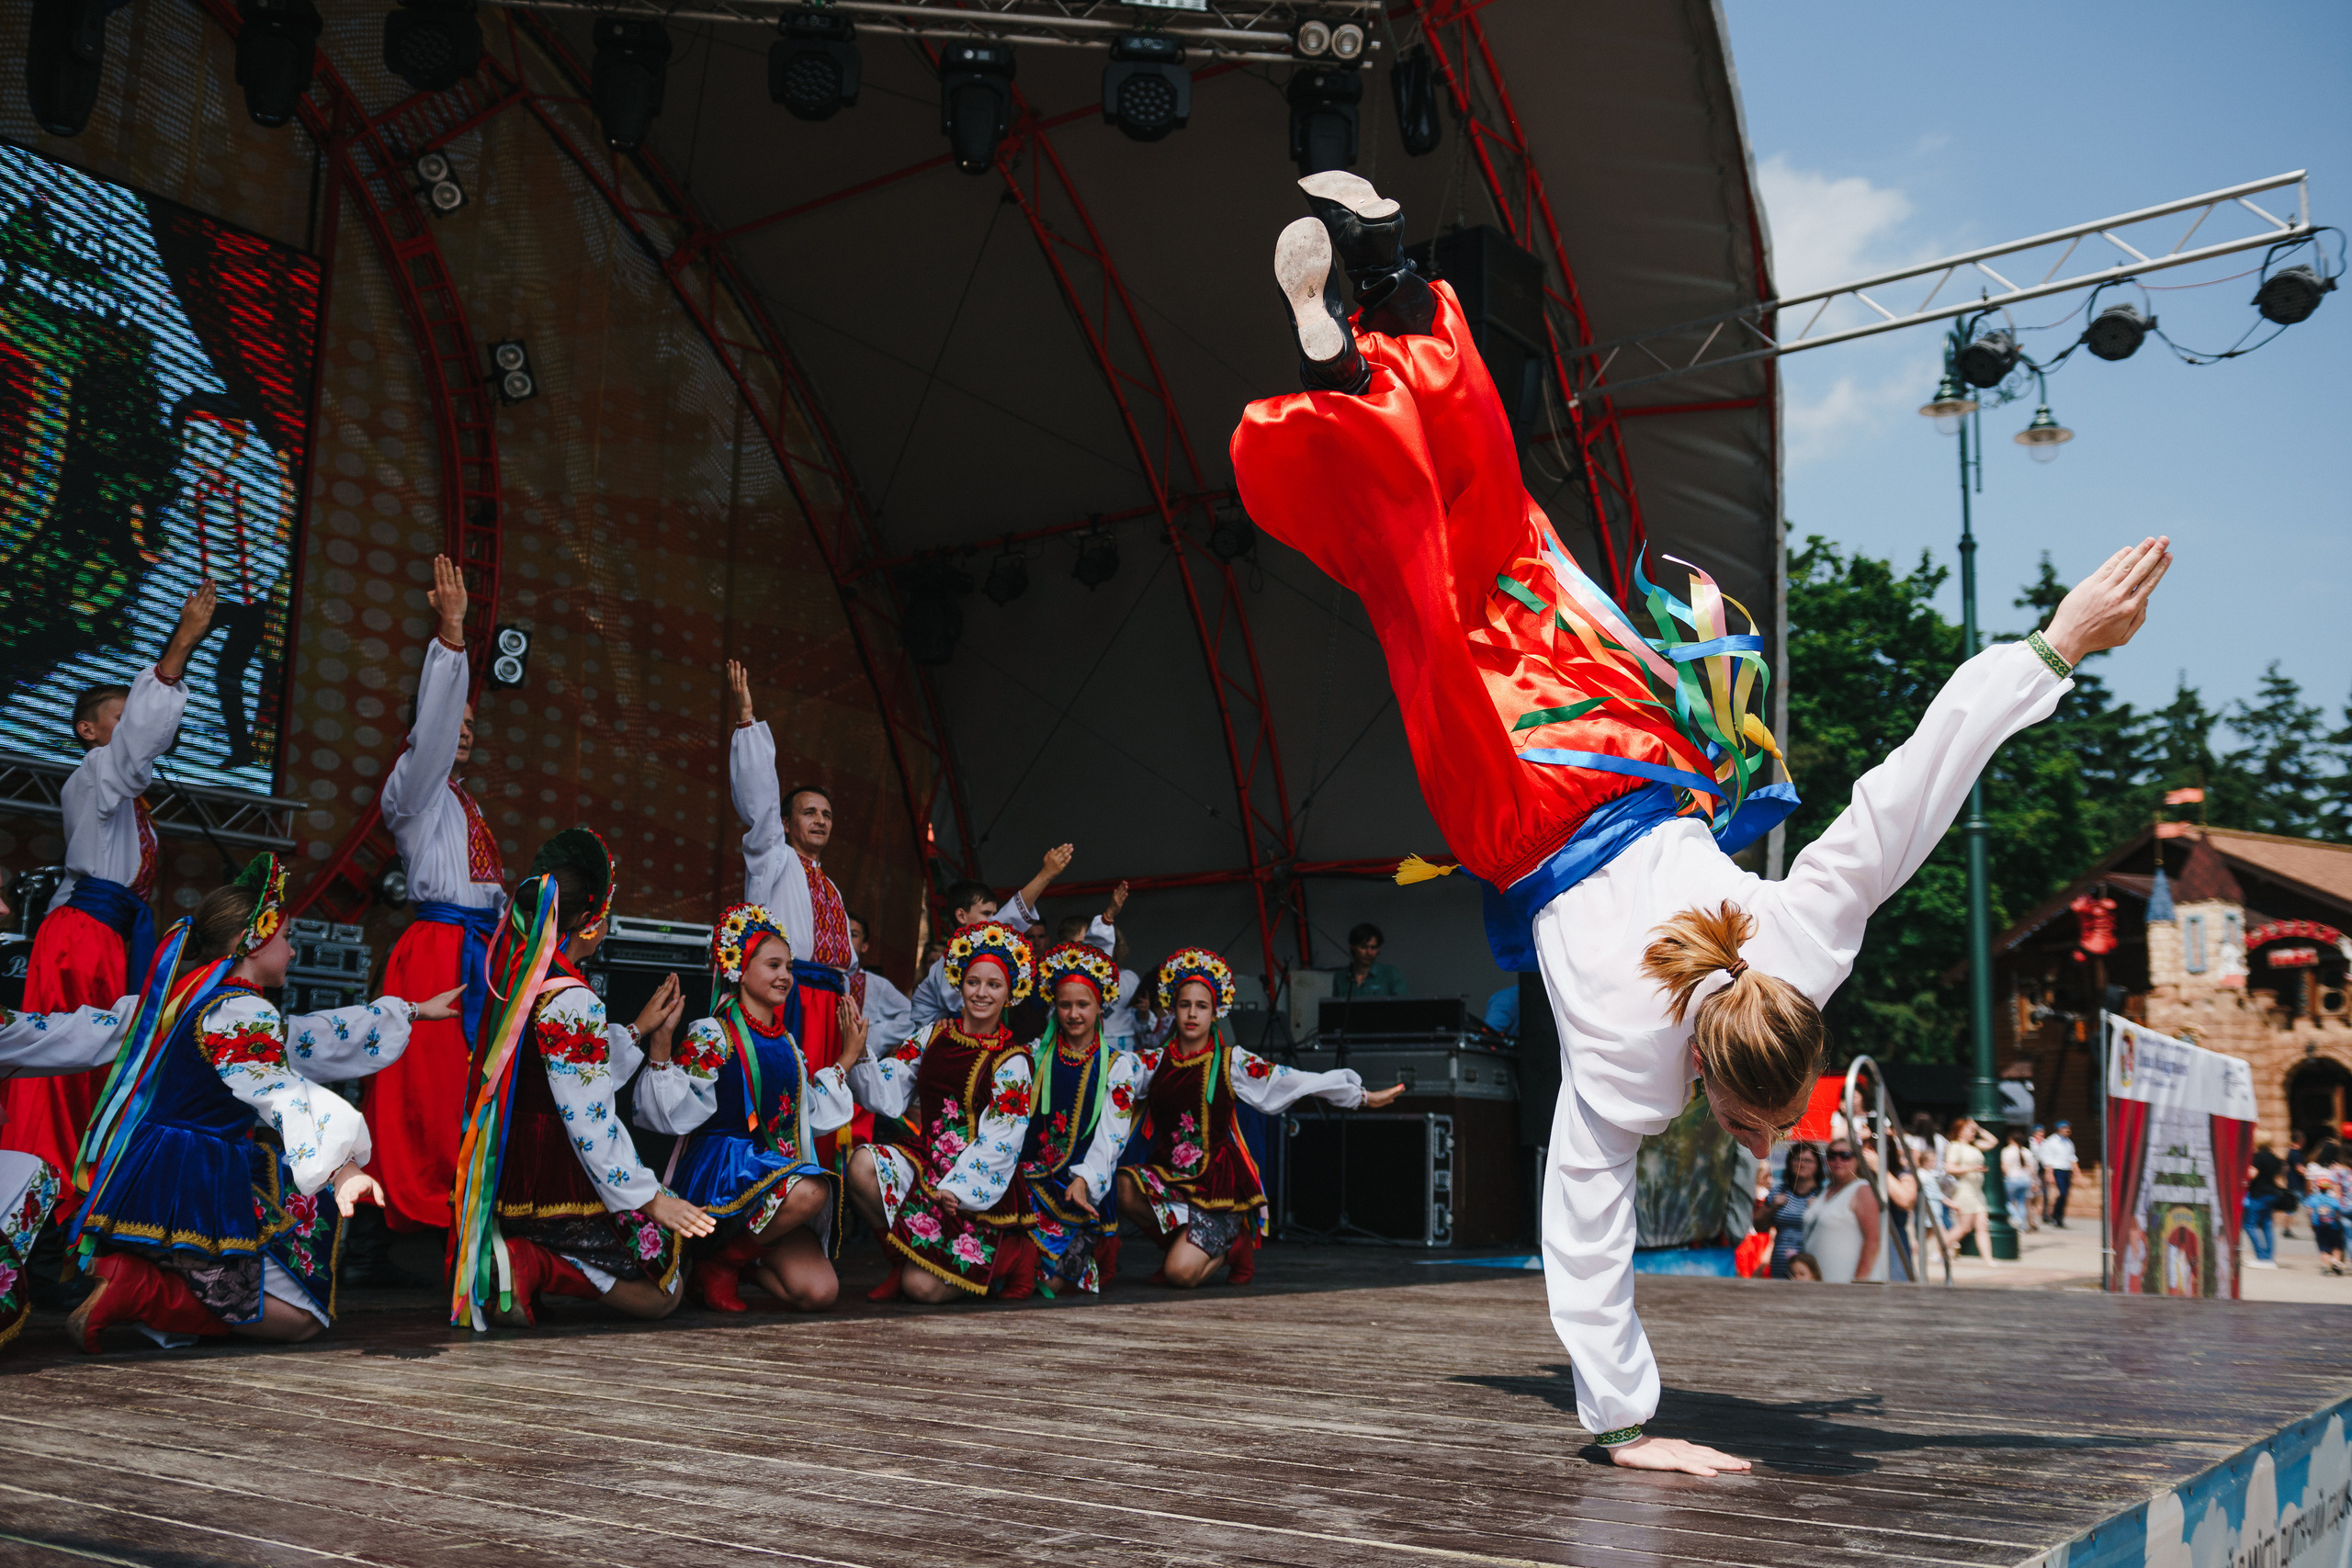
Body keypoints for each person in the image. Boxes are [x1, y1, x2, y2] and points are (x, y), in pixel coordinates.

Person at [1229, 168, 2171, 1473]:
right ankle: (1342, 388)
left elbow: (1913, 784)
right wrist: (1625, 1422)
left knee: (1502, 539)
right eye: (1750, 1126)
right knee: (1416, 595)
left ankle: (1394, 286)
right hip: (1522, 808)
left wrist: (2057, 646)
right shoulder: (1630, 1061)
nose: (1764, 1139)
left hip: (1621, 738)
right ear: (1720, 1087)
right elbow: (1582, 1221)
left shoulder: (1799, 935)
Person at [64, 854, 461, 1351]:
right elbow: (276, 1088)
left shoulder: (189, 997)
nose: (293, 951)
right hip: (196, 1180)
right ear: (254, 941)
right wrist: (342, 1167)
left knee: (280, 1211)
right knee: (302, 1322)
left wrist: (410, 1010)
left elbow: (308, 1038)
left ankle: (139, 1279)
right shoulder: (240, 1010)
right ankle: (139, 1291)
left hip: (161, 1169)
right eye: (286, 937)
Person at [3, 581, 215, 1219]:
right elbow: (132, 751)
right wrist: (179, 646)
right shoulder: (96, 773)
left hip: (110, 935)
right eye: (118, 718)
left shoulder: (127, 798)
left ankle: (80, 1203)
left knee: (99, 1072)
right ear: (88, 731)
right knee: (65, 1073)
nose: (130, 732)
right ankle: (43, 1205)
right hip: (83, 934)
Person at [446, 829, 716, 1331]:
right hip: (555, 1182)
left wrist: (635, 1030)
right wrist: (649, 1196)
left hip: (511, 1177)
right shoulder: (573, 999)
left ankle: (521, 1257)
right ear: (590, 927)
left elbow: (560, 1075)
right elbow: (588, 1116)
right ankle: (532, 1262)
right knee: (666, 1288)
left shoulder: (518, 980)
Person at [1115, 947, 1406, 1289]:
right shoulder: (1152, 1063)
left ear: (1216, 1013)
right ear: (1173, 1008)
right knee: (1125, 1187)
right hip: (1170, 1178)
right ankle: (1184, 1245)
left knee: (1178, 1276)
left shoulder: (1232, 1062)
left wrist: (1360, 1096)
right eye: (1184, 1005)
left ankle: (1230, 1246)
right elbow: (1105, 1074)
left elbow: (1295, 1080)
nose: (1192, 1015)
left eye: (1201, 1006)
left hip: (1216, 1188)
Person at [634, 904, 866, 1314]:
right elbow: (670, 1115)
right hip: (726, 1169)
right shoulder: (715, 1032)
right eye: (773, 965)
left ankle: (726, 1263)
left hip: (772, 1176)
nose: (786, 976)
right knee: (814, 1188)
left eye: (789, 967)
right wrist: (661, 1043)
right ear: (740, 970)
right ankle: (721, 1259)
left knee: (819, 1292)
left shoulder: (788, 1045)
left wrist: (846, 1059)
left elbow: (807, 1112)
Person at [369, 555, 509, 1235]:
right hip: (436, 953)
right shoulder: (415, 785)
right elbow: (430, 733)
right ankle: (404, 1210)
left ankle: (457, 1208)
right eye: (452, 719)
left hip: (477, 953)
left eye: (471, 726)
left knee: (468, 1085)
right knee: (425, 1085)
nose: (462, 730)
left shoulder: (464, 803)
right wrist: (452, 634)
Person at [844, 920, 1038, 1303]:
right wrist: (859, 1051)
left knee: (922, 1289)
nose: (981, 993)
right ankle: (899, 1259)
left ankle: (1015, 1254)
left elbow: (1003, 1139)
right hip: (928, 1164)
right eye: (973, 982)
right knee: (862, 1165)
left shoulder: (1012, 1060)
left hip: (977, 1185)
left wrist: (957, 1187)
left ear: (1009, 993)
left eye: (993, 985)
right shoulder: (931, 1036)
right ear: (959, 984)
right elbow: (886, 1091)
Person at [727, 662, 863, 1110]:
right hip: (791, 999)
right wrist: (748, 721)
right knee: (787, 1103)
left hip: (830, 1009)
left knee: (825, 1105)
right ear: (786, 824)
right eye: (809, 812)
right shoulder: (774, 858)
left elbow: (850, 963)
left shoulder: (832, 888)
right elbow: (761, 803)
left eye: (826, 815)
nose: (820, 820)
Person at [1008, 942, 1143, 1297]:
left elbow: (1112, 1138)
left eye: (1083, 1004)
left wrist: (1084, 1181)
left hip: (1078, 1189)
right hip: (1033, 1180)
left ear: (1100, 1007)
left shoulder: (1117, 1066)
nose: (1073, 1014)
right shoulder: (1035, 1054)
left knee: (1046, 1280)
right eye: (1064, 1005)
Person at [906, 852, 1102, 1030]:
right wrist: (1045, 875)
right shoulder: (949, 961)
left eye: (994, 914)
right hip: (927, 1034)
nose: (993, 922)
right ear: (961, 916)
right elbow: (1009, 917)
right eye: (986, 914)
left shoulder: (982, 947)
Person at [1804, 1138, 1884, 1282]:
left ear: (1858, 1159)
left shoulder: (1862, 1190)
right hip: (1819, 1284)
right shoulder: (1826, 1190)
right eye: (1832, 1156)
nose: (1838, 1160)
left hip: (1845, 1285)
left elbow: (1873, 1240)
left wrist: (1859, 1281)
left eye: (1845, 1155)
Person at [847, 911, 912, 1052]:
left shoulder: (876, 984)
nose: (846, 937)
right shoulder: (821, 978)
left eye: (853, 934)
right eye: (843, 931)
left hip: (859, 1062)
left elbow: (912, 1015)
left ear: (865, 946)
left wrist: (878, 1036)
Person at [1758, 1143, 1821, 1280]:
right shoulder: (1778, 1191)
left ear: (1817, 1165)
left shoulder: (1823, 1194)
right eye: (1797, 1159)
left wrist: (1819, 1209)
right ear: (1789, 1162)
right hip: (1781, 1262)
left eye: (1808, 1160)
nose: (1801, 1164)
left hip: (1809, 1264)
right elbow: (1759, 1227)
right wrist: (1772, 1208)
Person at [1942, 1116, 1998, 1263]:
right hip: (1964, 1190)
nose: (1973, 1133)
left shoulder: (1974, 1146)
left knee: (1982, 1225)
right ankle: (1941, 1248)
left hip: (1977, 1191)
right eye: (1969, 1130)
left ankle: (1988, 1259)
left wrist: (1978, 1128)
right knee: (1964, 1227)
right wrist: (1972, 1168)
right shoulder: (1955, 1146)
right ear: (1960, 1131)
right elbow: (1949, 1167)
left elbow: (1993, 1141)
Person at [1332, 923, 1406, 999]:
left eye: (1373, 948)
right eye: (1363, 947)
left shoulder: (1391, 975)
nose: (1369, 953)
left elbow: (1405, 1006)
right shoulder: (1340, 976)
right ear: (1353, 946)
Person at [2245, 1141, 2285, 1269]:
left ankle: (2261, 1257)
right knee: (2267, 1225)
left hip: (2259, 1193)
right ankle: (2269, 1258)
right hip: (2272, 1193)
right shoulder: (2276, 1158)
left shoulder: (2257, 1157)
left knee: (2249, 1224)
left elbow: (2252, 1175)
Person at [2304, 1167, 2346, 1276]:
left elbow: (2309, 1211)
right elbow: (2339, 1211)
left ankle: (2328, 1265)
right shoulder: (2333, 1200)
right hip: (2333, 1226)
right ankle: (2336, 1262)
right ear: (2329, 1188)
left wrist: (2311, 1223)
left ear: (2318, 1187)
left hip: (2319, 1226)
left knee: (2323, 1248)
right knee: (2337, 1246)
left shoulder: (2313, 1198)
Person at [2001, 1126, 2040, 1234]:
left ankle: (2016, 1218)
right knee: (2021, 1203)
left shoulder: (2007, 1151)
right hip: (2025, 1179)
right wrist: (2034, 1181)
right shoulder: (2027, 1152)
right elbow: (2032, 1169)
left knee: (2007, 1201)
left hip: (2012, 1178)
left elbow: (2005, 1167)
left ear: (2011, 1139)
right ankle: (2021, 1227)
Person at [2042, 1119, 2079, 1229]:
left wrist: (2077, 1172)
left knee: (2065, 1195)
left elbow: (2072, 1158)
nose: (2067, 1130)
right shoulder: (2051, 1141)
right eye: (2065, 1128)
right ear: (2059, 1129)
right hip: (2057, 1169)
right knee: (2061, 1193)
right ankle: (2054, 1216)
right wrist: (2049, 1173)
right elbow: (2048, 1159)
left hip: (2066, 1170)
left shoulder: (2069, 1142)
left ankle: (2059, 1217)